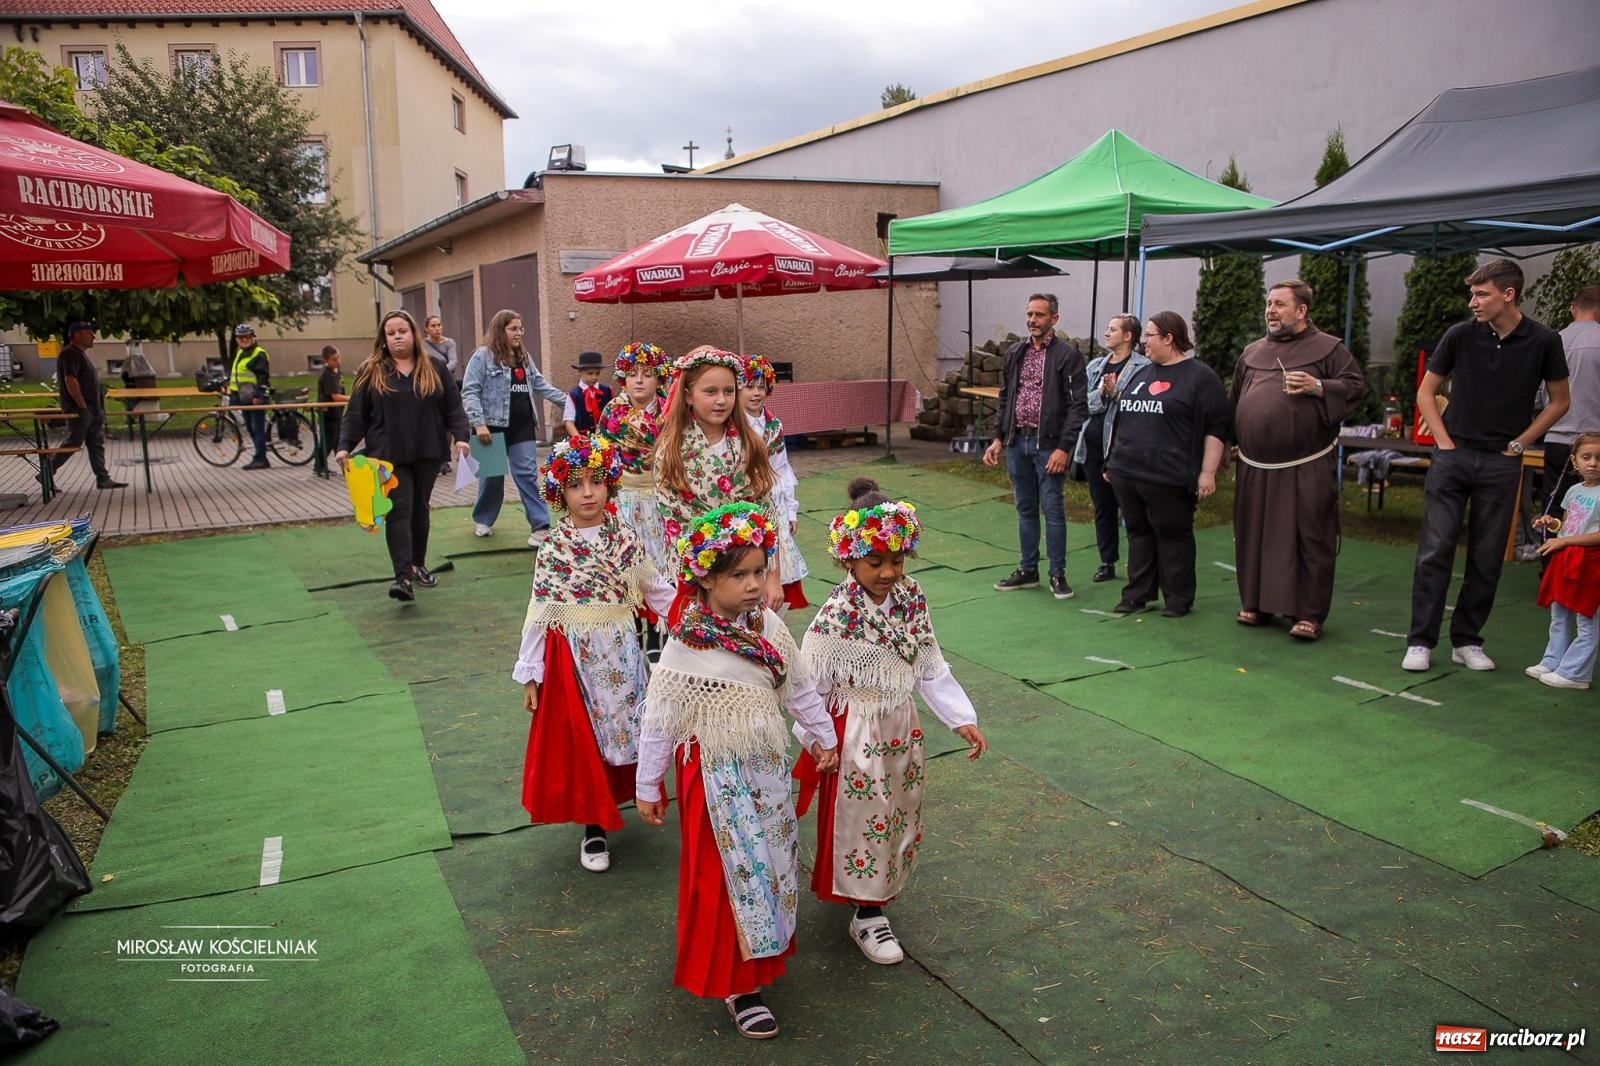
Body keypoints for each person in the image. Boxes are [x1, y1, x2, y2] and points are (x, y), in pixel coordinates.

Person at [634, 503, 840, 1040]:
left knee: (770, 861)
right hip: (713, 777)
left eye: (758, 571)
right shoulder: (686, 640)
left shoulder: (767, 625)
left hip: (766, 769)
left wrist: (823, 735)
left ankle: (761, 955)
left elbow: (796, 687)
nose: (754, 585)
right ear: (703, 577)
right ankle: (736, 984)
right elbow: (660, 718)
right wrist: (646, 783)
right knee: (726, 873)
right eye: (739, 575)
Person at [792, 478, 985, 966]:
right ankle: (867, 912)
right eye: (874, 562)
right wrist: (817, 739)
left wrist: (960, 718)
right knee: (864, 819)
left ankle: (877, 894)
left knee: (898, 811)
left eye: (896, 561)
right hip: (855, 728)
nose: (887, 572)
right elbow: (808, 682)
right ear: (848, 559)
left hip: (900, 724)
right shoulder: (837, 615)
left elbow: (929, 662)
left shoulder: (911, 598)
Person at [515, 434, 676, 870]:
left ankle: (643, 794)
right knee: (585, 740)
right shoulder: (554, 548)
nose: (588, 493)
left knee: (630, 729)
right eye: (576, 484)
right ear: (560, 492)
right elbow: (540, 608)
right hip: (575, 656)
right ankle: (594, 827)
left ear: (610, 485)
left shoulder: (622, 535)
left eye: (596, 482)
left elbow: (654, 588)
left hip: (622, 650)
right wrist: (531, 671)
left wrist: (691, 617)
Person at [1404, 259, 1570, 673]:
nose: (1472, 302)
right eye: (1473, 294)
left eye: (1481, 294)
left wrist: (1521, 442)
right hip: (1453, 457)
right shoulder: (1460, 335)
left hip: (1502, 462)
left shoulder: (1544, 340)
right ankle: (1421, 641)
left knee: (1488, 554)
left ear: (1508, 294)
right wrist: (1443, 442)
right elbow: (1427, 392)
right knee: (1435, 550)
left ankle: (1467, 640)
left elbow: (1561, 402)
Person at [1230, 279, 1366, 641]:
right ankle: (1256, 602)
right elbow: (1235, 401)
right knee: (1254, 534)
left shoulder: (1329, 349)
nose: (1270, 311)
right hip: (1255, 466)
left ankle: (1308, 613)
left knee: (1309, 535)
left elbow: (1355, 389)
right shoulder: (1252, 352)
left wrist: (1317, 386)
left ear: (1302, 311)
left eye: (1279, 304)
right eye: (1268, 304)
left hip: (1305, 464)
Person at [335, 310, 470, 602]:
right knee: (400, 510)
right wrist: (344, 444)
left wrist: (461, 437)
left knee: (420, 508)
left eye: (402, 331)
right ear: (383, 339)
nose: (397, 337)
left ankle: (417, 563)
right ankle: (402, 578)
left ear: (413, 334)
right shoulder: (371, 371)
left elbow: (453, 407)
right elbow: (355, 413)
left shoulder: (435, 367)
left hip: (428, 451)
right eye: (391, 333)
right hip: (388, 455)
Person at [1104, 311, 1231, 618]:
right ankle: (1138, 594)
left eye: (1149, 335)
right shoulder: (1141, 373)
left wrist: (1207, 473)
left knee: (1172, 535)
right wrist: (1112, 460)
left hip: (1169, 477)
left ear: (1169, 338)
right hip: (1128, 472)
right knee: (1138, 532)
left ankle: (1177, 598)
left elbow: (1217, 428)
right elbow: (1124, 415)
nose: (1143, 341)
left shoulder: (1200, 377)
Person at [653, 346, 782, 619]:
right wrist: (710, 556)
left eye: (729, 391)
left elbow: (766, 510)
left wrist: (772, 575)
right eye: (710, 392)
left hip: (747, 567)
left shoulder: (750, 444)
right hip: (701, 572)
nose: (721, 400)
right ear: (688, 395)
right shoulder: (672, 449)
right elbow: (674, 517)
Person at [982, 293, 1088, 600]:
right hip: (1017, 442)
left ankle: (1058, 573)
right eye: (1029, 314)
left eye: (1039, 315)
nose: (1032, 320)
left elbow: (1078, 406)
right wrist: (999, 438)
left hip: (1050, 446)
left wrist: (1064, 448)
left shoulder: (1067, 356)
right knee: (1024, 508)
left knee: (1053, 508)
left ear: (1054, 318)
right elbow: (1006, 398)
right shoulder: (1015, 352)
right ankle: (1028, 570)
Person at [460, 309, 567, 545]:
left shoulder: (524, 358)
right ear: (501, 330)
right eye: (513, 328)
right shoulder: (482, 357)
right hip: (489, 427)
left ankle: (540, 526)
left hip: (522, 425)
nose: (518, 333)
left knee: (527, 473)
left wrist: (569, 401)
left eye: (520, 328)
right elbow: (469, 391)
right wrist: (478, 424)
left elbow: (540, 385)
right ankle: (484, 519)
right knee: (492, 476)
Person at [1074, 314, 1147, 583]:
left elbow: (1139, 405)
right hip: (1094, 449)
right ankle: (1107, 561)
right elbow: (1082, 403)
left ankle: (1141, 564)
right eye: (1107, 328)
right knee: (1102, 505)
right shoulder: (1096, 366)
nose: (1107, 333)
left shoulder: (1143, 367)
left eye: (1113, 329)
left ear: (1128, 336)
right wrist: (1103, 394)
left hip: (1124, 449)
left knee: (1132, 506)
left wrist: (1117, 394)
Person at [1528, 431, 1600, 691]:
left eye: (1599, 458)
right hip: (1567, 557)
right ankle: (1553, 660)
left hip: (1590, 562)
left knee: (1586, 617)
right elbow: (1571, 525)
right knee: (1560, 613)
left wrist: (1566, 541)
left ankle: (1576, 673)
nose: (1593, 463)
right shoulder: (1573, 490)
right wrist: (1553, 523)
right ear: (1574, 461)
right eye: (1586, 457)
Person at [596, 342, 672, 574]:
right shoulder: (611, 412)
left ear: (659, 380)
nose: (638, 380)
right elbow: (602, 455)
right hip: (624, 497)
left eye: (647, 375)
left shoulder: (670, 412)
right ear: (623, 379)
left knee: (662, 561)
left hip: (662, 495)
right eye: (632, 374)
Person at [741, 353, 809, 609]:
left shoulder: (773, 425)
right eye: (749, 386)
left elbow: (782, 468)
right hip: (745, 501)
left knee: (774, 567)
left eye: (761, 386)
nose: (756, 393)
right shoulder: (733, 425)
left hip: (772, 504)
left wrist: (791, 510)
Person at [1541, 285, 1600, 507]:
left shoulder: (1551, 340)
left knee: (1552, 509)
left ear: (1572, 309)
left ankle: (1548, 542)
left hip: (1556, 437)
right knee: (1591, 511)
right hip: (1595, 442)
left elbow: (1537, 396)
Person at [49, 321, 126, 490]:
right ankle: (47, 472)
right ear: (76, 335)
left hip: (92, 408)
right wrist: (82, 406)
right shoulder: (70, 353)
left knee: (96, 442)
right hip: (81, 409)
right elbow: (71, 379)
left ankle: (102, 477)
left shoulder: (80, 354)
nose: (93, 336)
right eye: (89, 332)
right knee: (74, 442)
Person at [229, 323, 272, 470]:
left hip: (255, 398)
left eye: (246, 337)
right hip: (243, 397)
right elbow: (237, 375)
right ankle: (260, 456)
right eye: (240, 338)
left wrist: (259, 395)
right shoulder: (241, 352)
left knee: (257, 428)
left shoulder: (258, 354)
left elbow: (263, 377)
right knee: (250, 428)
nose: (243, 340)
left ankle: (260, 458)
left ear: (253, 338)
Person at [561, 350, 612, 437]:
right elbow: (569, 421)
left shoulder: (607, 391)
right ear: (580, 371)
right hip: (582, 440)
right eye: (590, 373)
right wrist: (579, 439)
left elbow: (612, 416)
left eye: (597, 373)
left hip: (605, 439)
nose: (594, 377)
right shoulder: (573, 395)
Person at [316, 345, 347, 465]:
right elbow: (336, 397)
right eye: (334, 359)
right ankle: (319, 465)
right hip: (328, 413)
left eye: (339, 358)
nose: (338, 361)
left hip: (337, 412)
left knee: (338, 440)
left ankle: (343, 464)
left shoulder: (336, 370)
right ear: (326, 361)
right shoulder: (327, 374)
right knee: (328, 440)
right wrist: (353, 398)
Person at [422, 314, 459, 384]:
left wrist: (441, 372)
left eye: (439, 325)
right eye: (433, 326)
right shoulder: (422, 345)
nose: (437, 328)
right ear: (426, 329)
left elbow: (453, 362)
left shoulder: (449, 343)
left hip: (447, 379)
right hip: (430, 381)